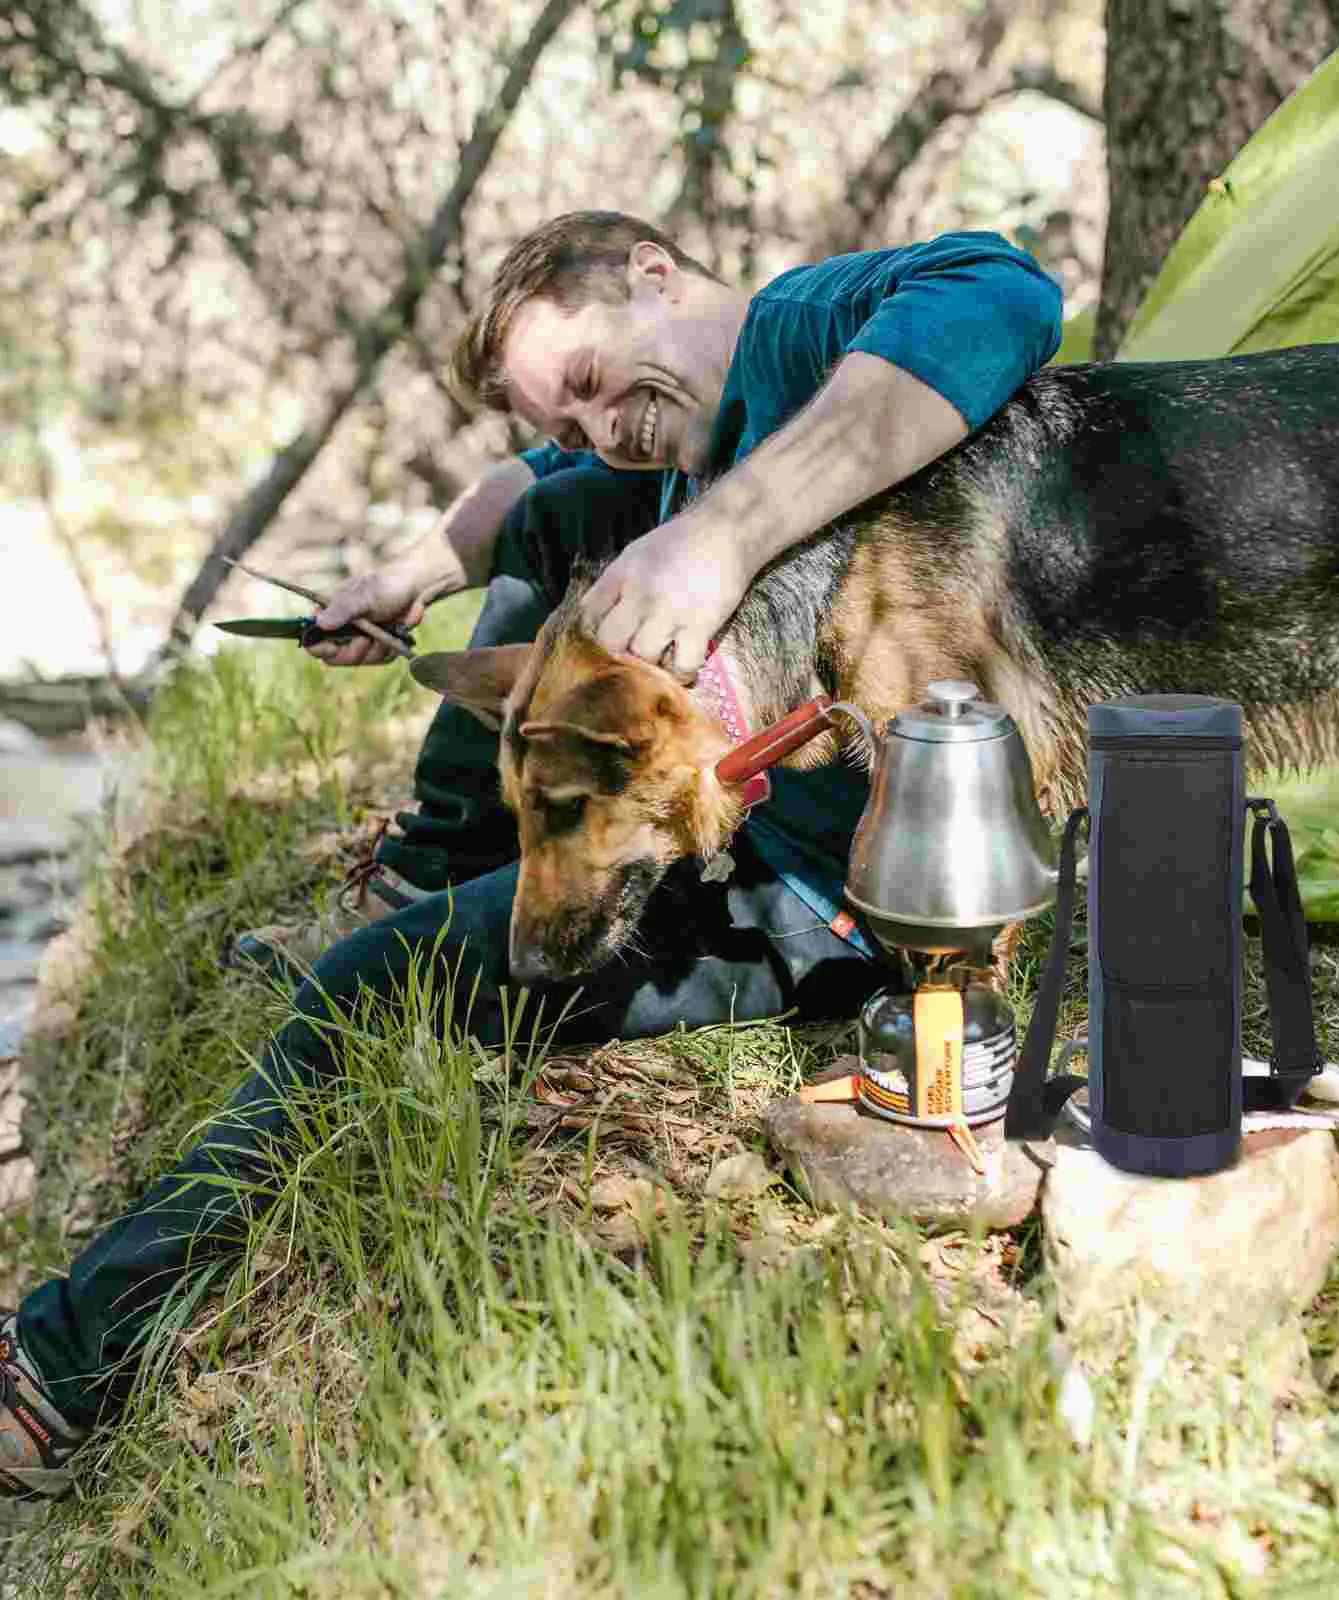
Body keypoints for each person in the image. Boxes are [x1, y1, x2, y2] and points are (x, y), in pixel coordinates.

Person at [0, 212, 1062, 1508]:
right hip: (735, 863)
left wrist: (722, 537)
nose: (600, 426)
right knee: (511, 681)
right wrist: (402, 581)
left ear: (652, 275)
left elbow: (1003, 294)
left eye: (589, 382)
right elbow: (523, 496)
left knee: (358, 989)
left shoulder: (791, 337)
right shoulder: (666, 466)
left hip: (825, 898)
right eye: (570, 422)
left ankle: (52, 1368)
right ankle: (431, 872)